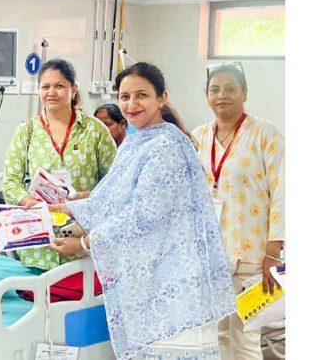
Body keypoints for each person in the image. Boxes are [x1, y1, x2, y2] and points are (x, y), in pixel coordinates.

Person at [49, 62, 235, 360]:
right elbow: (110, 199)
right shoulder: (136, 143)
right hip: (151, 275)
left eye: (141, 96)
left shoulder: (166, 147)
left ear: (162, 97)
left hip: (175, 283)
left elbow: (143, 215)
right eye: (124, 97)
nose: (131, 104)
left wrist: (84, 243)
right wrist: (65, 209)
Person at [192, 61, 285, 360]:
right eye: (215, 89)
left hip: (253, 254)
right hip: (212, 254)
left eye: (230, 88)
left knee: (245, 335)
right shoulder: (199, 137)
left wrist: (273, 253)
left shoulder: (266, 134)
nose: (222, 95)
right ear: (206, 95)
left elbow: (285, 193)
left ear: (244, 92)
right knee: (219, 333)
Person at [2, 58, 117, 271]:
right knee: (37, 296)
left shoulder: (95, 131)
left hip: (82, 239)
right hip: (39, 241)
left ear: (73, 90)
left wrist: (90, 196)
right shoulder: (26, 132)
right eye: (45, 87)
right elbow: (10, 181)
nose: (51, 92)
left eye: (59, 86)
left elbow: (115, 182)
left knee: (78, 301)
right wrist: (28, 200)